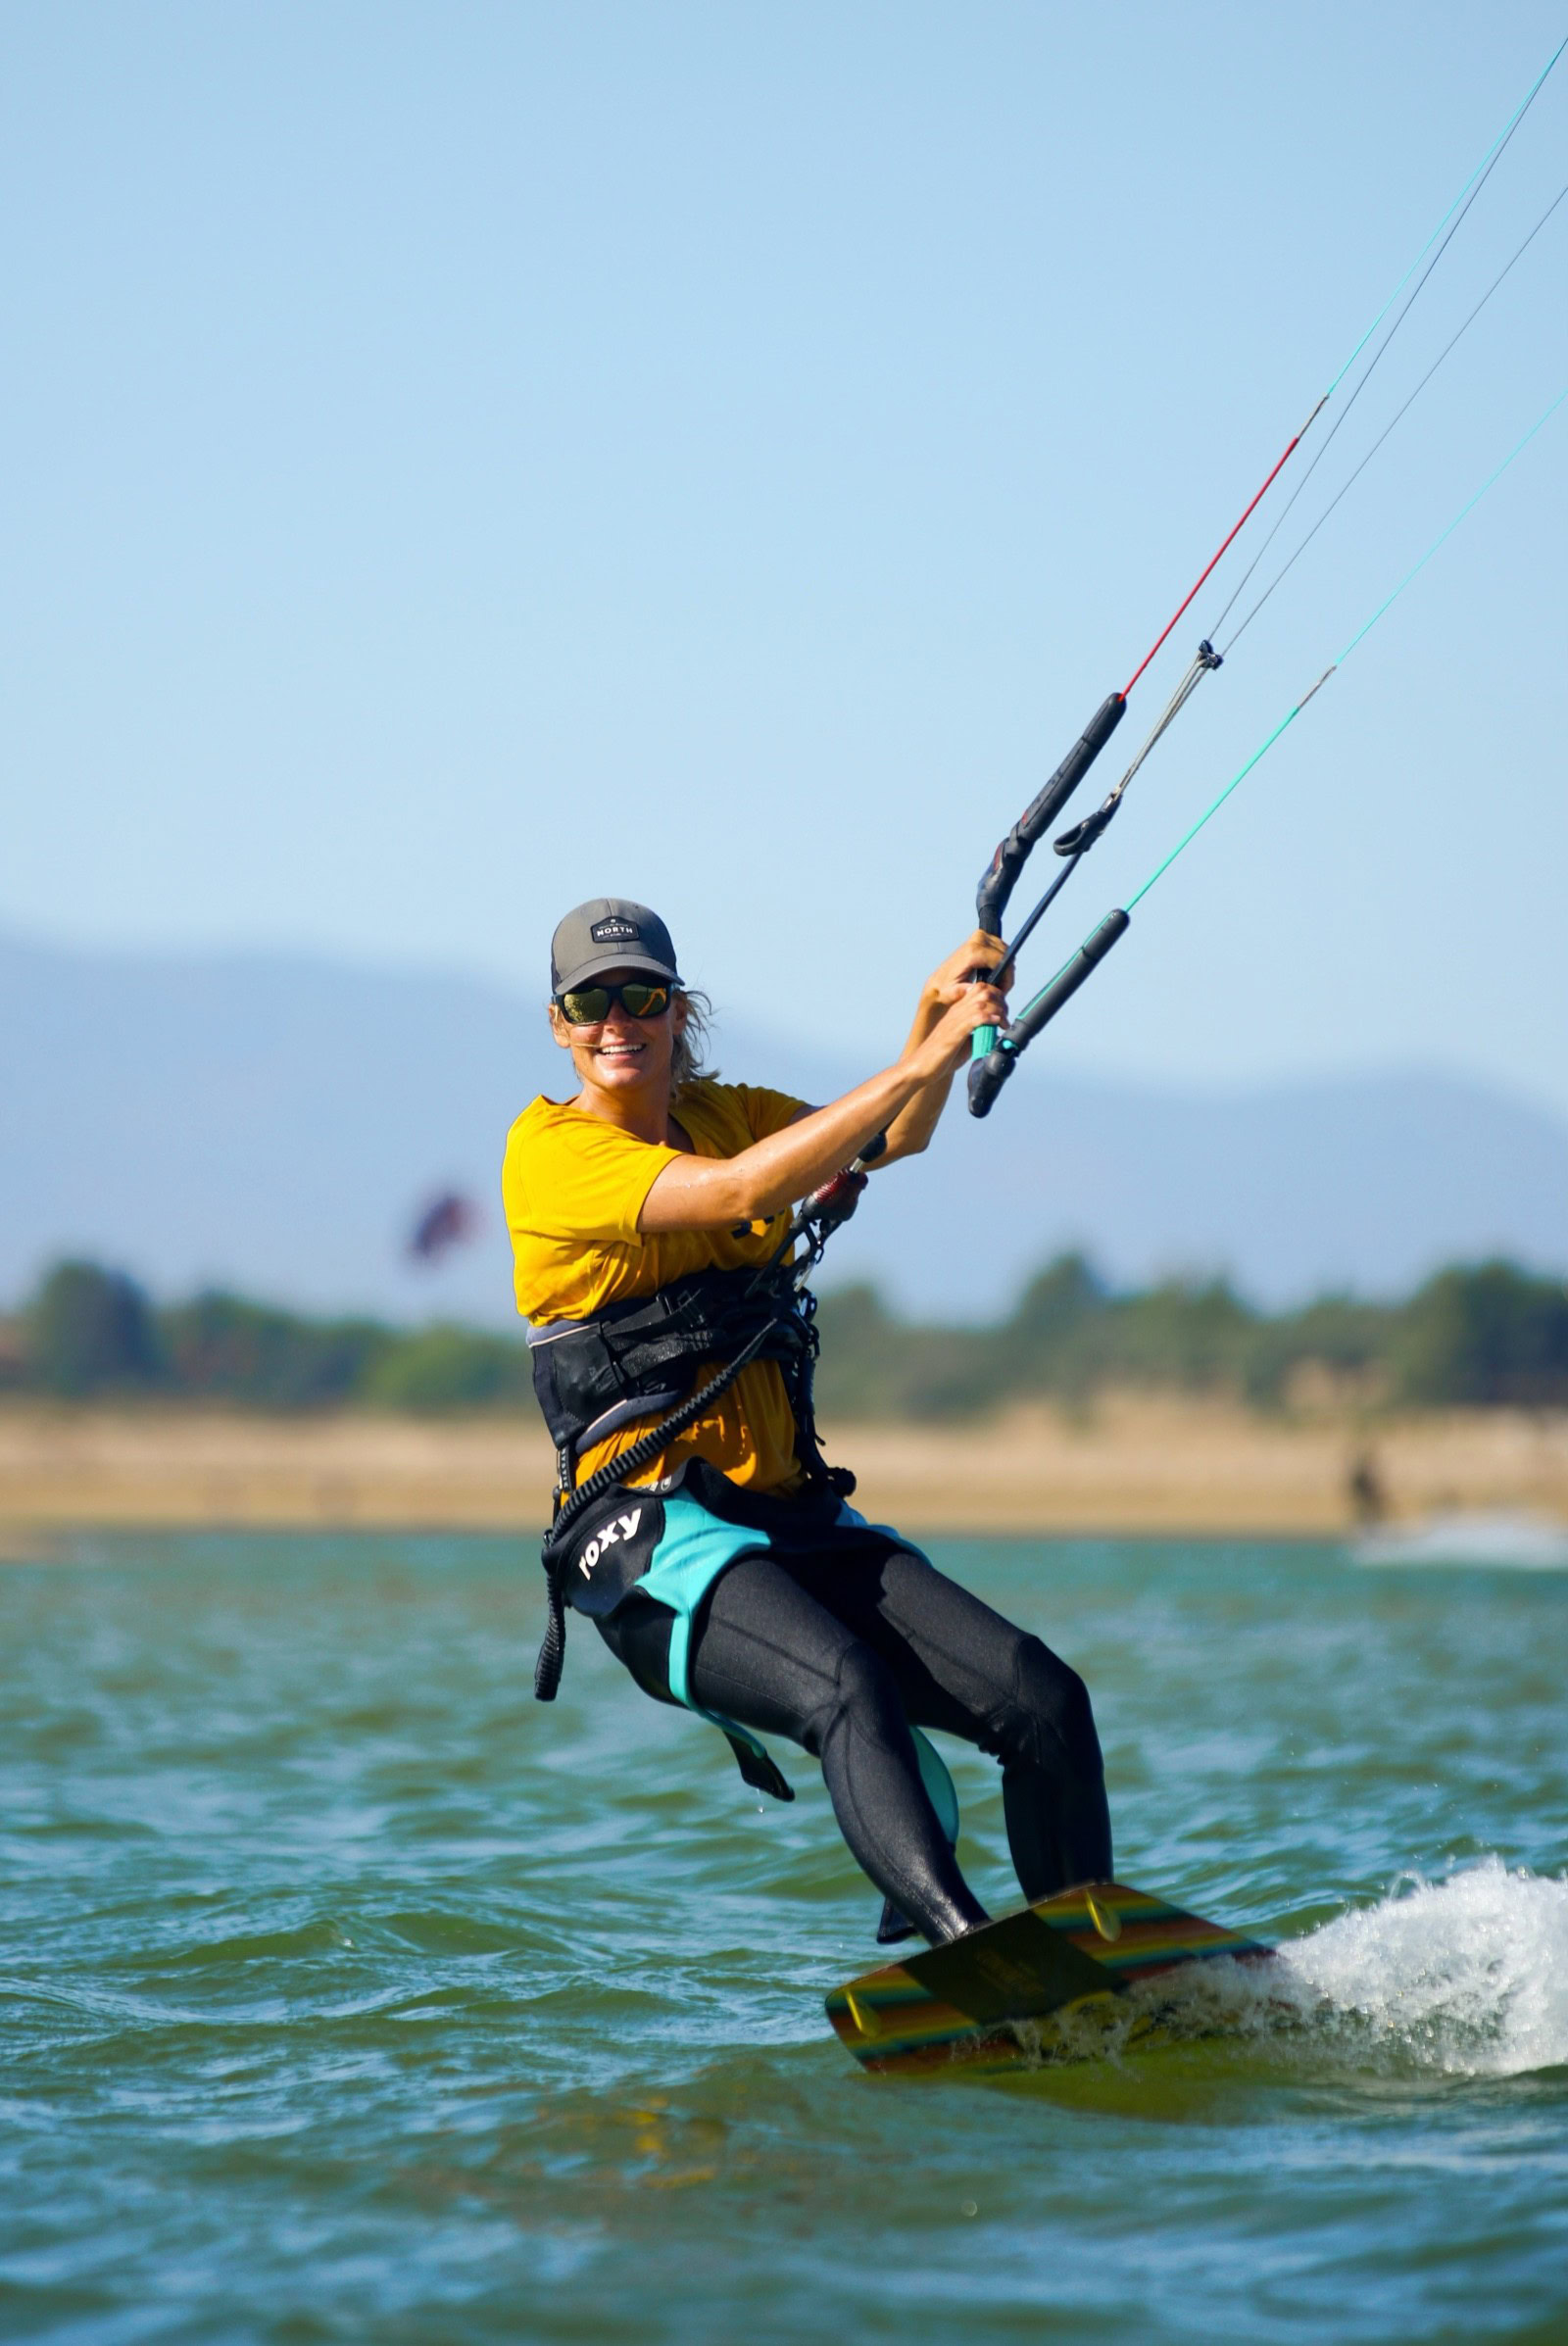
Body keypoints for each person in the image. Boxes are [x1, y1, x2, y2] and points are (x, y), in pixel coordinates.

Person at [503, 896, 1112, 1945]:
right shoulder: (551, 1155)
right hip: (648, 1542)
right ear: (560, 1025)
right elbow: (744, 1187)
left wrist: (928, 1021)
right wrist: (926, 1058)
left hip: (787, 1522)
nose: (618, 1021)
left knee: (1042, 1698)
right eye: (590, 1002)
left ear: (677, 1011)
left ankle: (1102, 1952)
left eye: (641, 995)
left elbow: (890, 1137)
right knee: (847, 1683)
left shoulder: (728, 1111)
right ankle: (968, 1950)